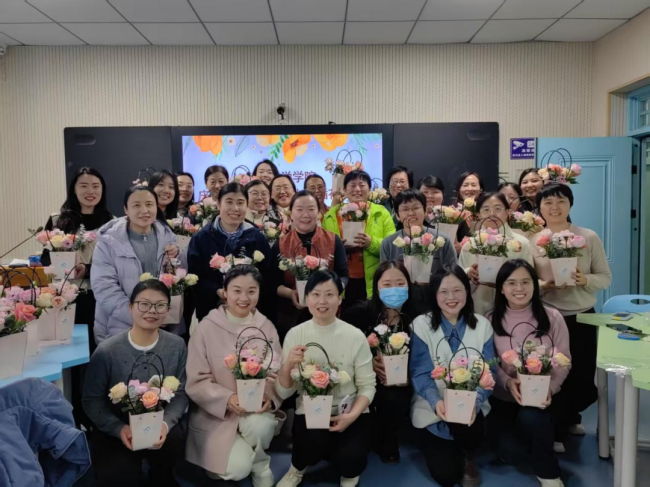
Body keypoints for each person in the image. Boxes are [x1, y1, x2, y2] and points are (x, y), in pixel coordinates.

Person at [82, 279, 188, 487]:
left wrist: (165, 424)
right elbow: (91, 400)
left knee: (172, 455)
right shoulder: (107, 351)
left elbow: (181, 393)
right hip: (117, 425)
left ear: (168, 310)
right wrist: (118, 428)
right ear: (130, 307)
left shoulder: (177, 346)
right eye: (144, 304)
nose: (152, 311)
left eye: (160, 305)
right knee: (121, 476)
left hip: (159, 422)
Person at [276, 270, 376, 487]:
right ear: (306, 298)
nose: (322, 301)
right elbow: (284, 392)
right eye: (315, 294)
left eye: (329, 294)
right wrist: (287, 366)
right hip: (311, 411)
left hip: (349, 410)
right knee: (309, 445)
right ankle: (297, 468)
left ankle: (349, 472)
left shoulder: (355, 336)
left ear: (340, 298)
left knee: (351, 460)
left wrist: (352, 416)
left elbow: (368, 386)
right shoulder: (295, 334)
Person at [185, 265, 282, 486]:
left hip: (254, 410)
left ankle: (258, 462)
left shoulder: (266, 327)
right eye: (237, 291)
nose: (244, 298)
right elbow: (197, 379)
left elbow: (276, 370)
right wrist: (227, 398)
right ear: (225, 292)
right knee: (235, 469)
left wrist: (268, 396)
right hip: (215, 414)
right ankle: (254, 461)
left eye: (251, 291)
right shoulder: (206, 327)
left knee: (261, 426)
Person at [531, 183, 611, 437]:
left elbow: (605, 276)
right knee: (551, 372)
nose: (554, 207)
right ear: (539, 207)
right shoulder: (533, 240)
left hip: (582, 315)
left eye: (561, 201)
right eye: (547, 202)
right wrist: (544, 285)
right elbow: (525, 281)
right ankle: (555, 427)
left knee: (581, 376)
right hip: (548, 317)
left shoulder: (588, 237)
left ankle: (569, 417)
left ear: (570, 204)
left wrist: (585, 279)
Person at [410, 265, 495, 487]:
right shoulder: (421, 325)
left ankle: (467, 454)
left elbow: (489, 371)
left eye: (457, 290)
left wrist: (476, 401)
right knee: (446, 476)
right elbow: (420, 372)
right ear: (434, 294)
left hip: (470, 411)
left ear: (467, 291)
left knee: (468, 426)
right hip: (432, 409)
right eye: (443, 292)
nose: (451, 297)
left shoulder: (483, 326)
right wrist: (435, 401)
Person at [488, 259, 570, 486]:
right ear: (501, 288)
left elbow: (564, 361)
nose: (519, 288)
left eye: (526, 282)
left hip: (542, 399)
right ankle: (537, 439)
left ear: (535, 285)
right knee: (511, 453)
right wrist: (507, 382)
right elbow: (489, 364)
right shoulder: (490, 320)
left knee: (533, 418)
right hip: (504, 398)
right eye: (511, 283)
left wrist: (550, 389)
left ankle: (549, 473)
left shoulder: (553, 317)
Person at [341, 260, 415, 465]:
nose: (394, 290)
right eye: (387, 284)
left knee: (394, 398)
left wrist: (408, 375)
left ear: (409, 285)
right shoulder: (359, 313)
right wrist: (368, 365)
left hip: (401, 383)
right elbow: (343, 349)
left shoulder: (416, 317)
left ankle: (389, 440)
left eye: (400, 283)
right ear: (377, 287)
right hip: (364, 378)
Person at [92, 186, 181, 344]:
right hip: (119, 329)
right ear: (126, 210)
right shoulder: (108, 242)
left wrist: (179, 254)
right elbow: (104, 287)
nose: (144, 210)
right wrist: (139, 315)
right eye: (136, 205)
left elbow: (180, 278)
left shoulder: (169, 237)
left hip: (163, 327)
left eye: (149, 204)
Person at [44, 167, 114, 352]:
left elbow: (115, 263)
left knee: (97, 349)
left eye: (96, 186)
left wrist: (87, 269)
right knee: (65, 348)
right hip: (63, 297)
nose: (90, 191)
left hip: (98, 297)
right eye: (83, 186)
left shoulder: (112, 223)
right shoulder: (57, 220)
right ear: (74, 189)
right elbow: (45, 258)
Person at [270, 190, 348, 341]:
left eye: (311, 209)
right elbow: (273, 282)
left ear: (318, 212)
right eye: (299, 209)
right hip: (291, 316)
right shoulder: (280, 244)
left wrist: (332, 291)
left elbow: (344, 275)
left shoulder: (333, 240)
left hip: (327, 312)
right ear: (291, 213)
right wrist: (290, 294)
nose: (305, 215)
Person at [188, 182, 272, 321]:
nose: (235, 208)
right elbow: (195, 276)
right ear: (219, 205)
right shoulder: (201, 238)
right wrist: (217, 291)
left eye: (240, 202)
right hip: (212, 312)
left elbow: (268, 276)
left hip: (249, 313)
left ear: (247, 205)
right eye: (229, 202)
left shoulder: (257, 237)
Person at [322, 170, 396, 306]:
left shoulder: (381, 213)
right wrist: (339, 248)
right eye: (352, 185)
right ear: (344, 190)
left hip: (373, 281)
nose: (357, 189)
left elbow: (392, 245)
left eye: (362, 185)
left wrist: (371, 243)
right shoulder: (331, 215)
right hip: (342, 280)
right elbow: (323, 248)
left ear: (369, 189)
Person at [380, 189, 456, 314]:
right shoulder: (388, 243)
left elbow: (453, 272)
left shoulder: (442, 239)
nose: (411, 213)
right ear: (397, 215)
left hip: (436, 301)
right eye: (405, 209)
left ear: (425, 211)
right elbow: (384, 277)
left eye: (416, 208)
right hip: (402, 304)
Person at [459, 192, 533, 315]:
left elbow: (530, 278)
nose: (492, 214)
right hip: (477, 307)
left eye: (498, 209)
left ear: (507, 212)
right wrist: (468, 272)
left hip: (512, 308)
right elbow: (459, 273)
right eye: (486, 210)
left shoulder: (521, 243)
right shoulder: (470, 243)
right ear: (478, 215)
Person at [453, 172, 485, 253]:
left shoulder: (487, 213)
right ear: (459, 189)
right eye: (465, 185)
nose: (470, 188)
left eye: (474, 185)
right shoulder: (451, 212)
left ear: (481, 189)